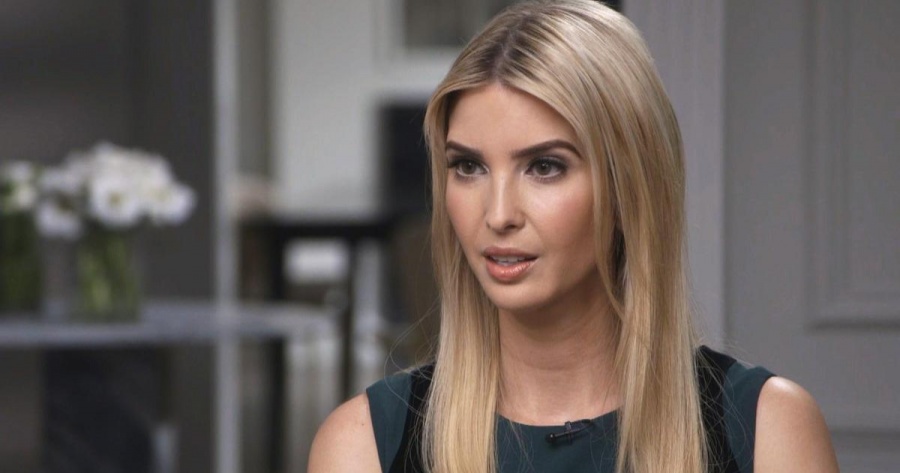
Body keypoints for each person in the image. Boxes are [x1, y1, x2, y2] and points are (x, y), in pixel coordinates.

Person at [308, 1, 839, 472]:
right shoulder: (362, 447)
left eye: (544, 166)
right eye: (468, 166)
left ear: (630, 185)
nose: (498, 214)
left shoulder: (769, 431)